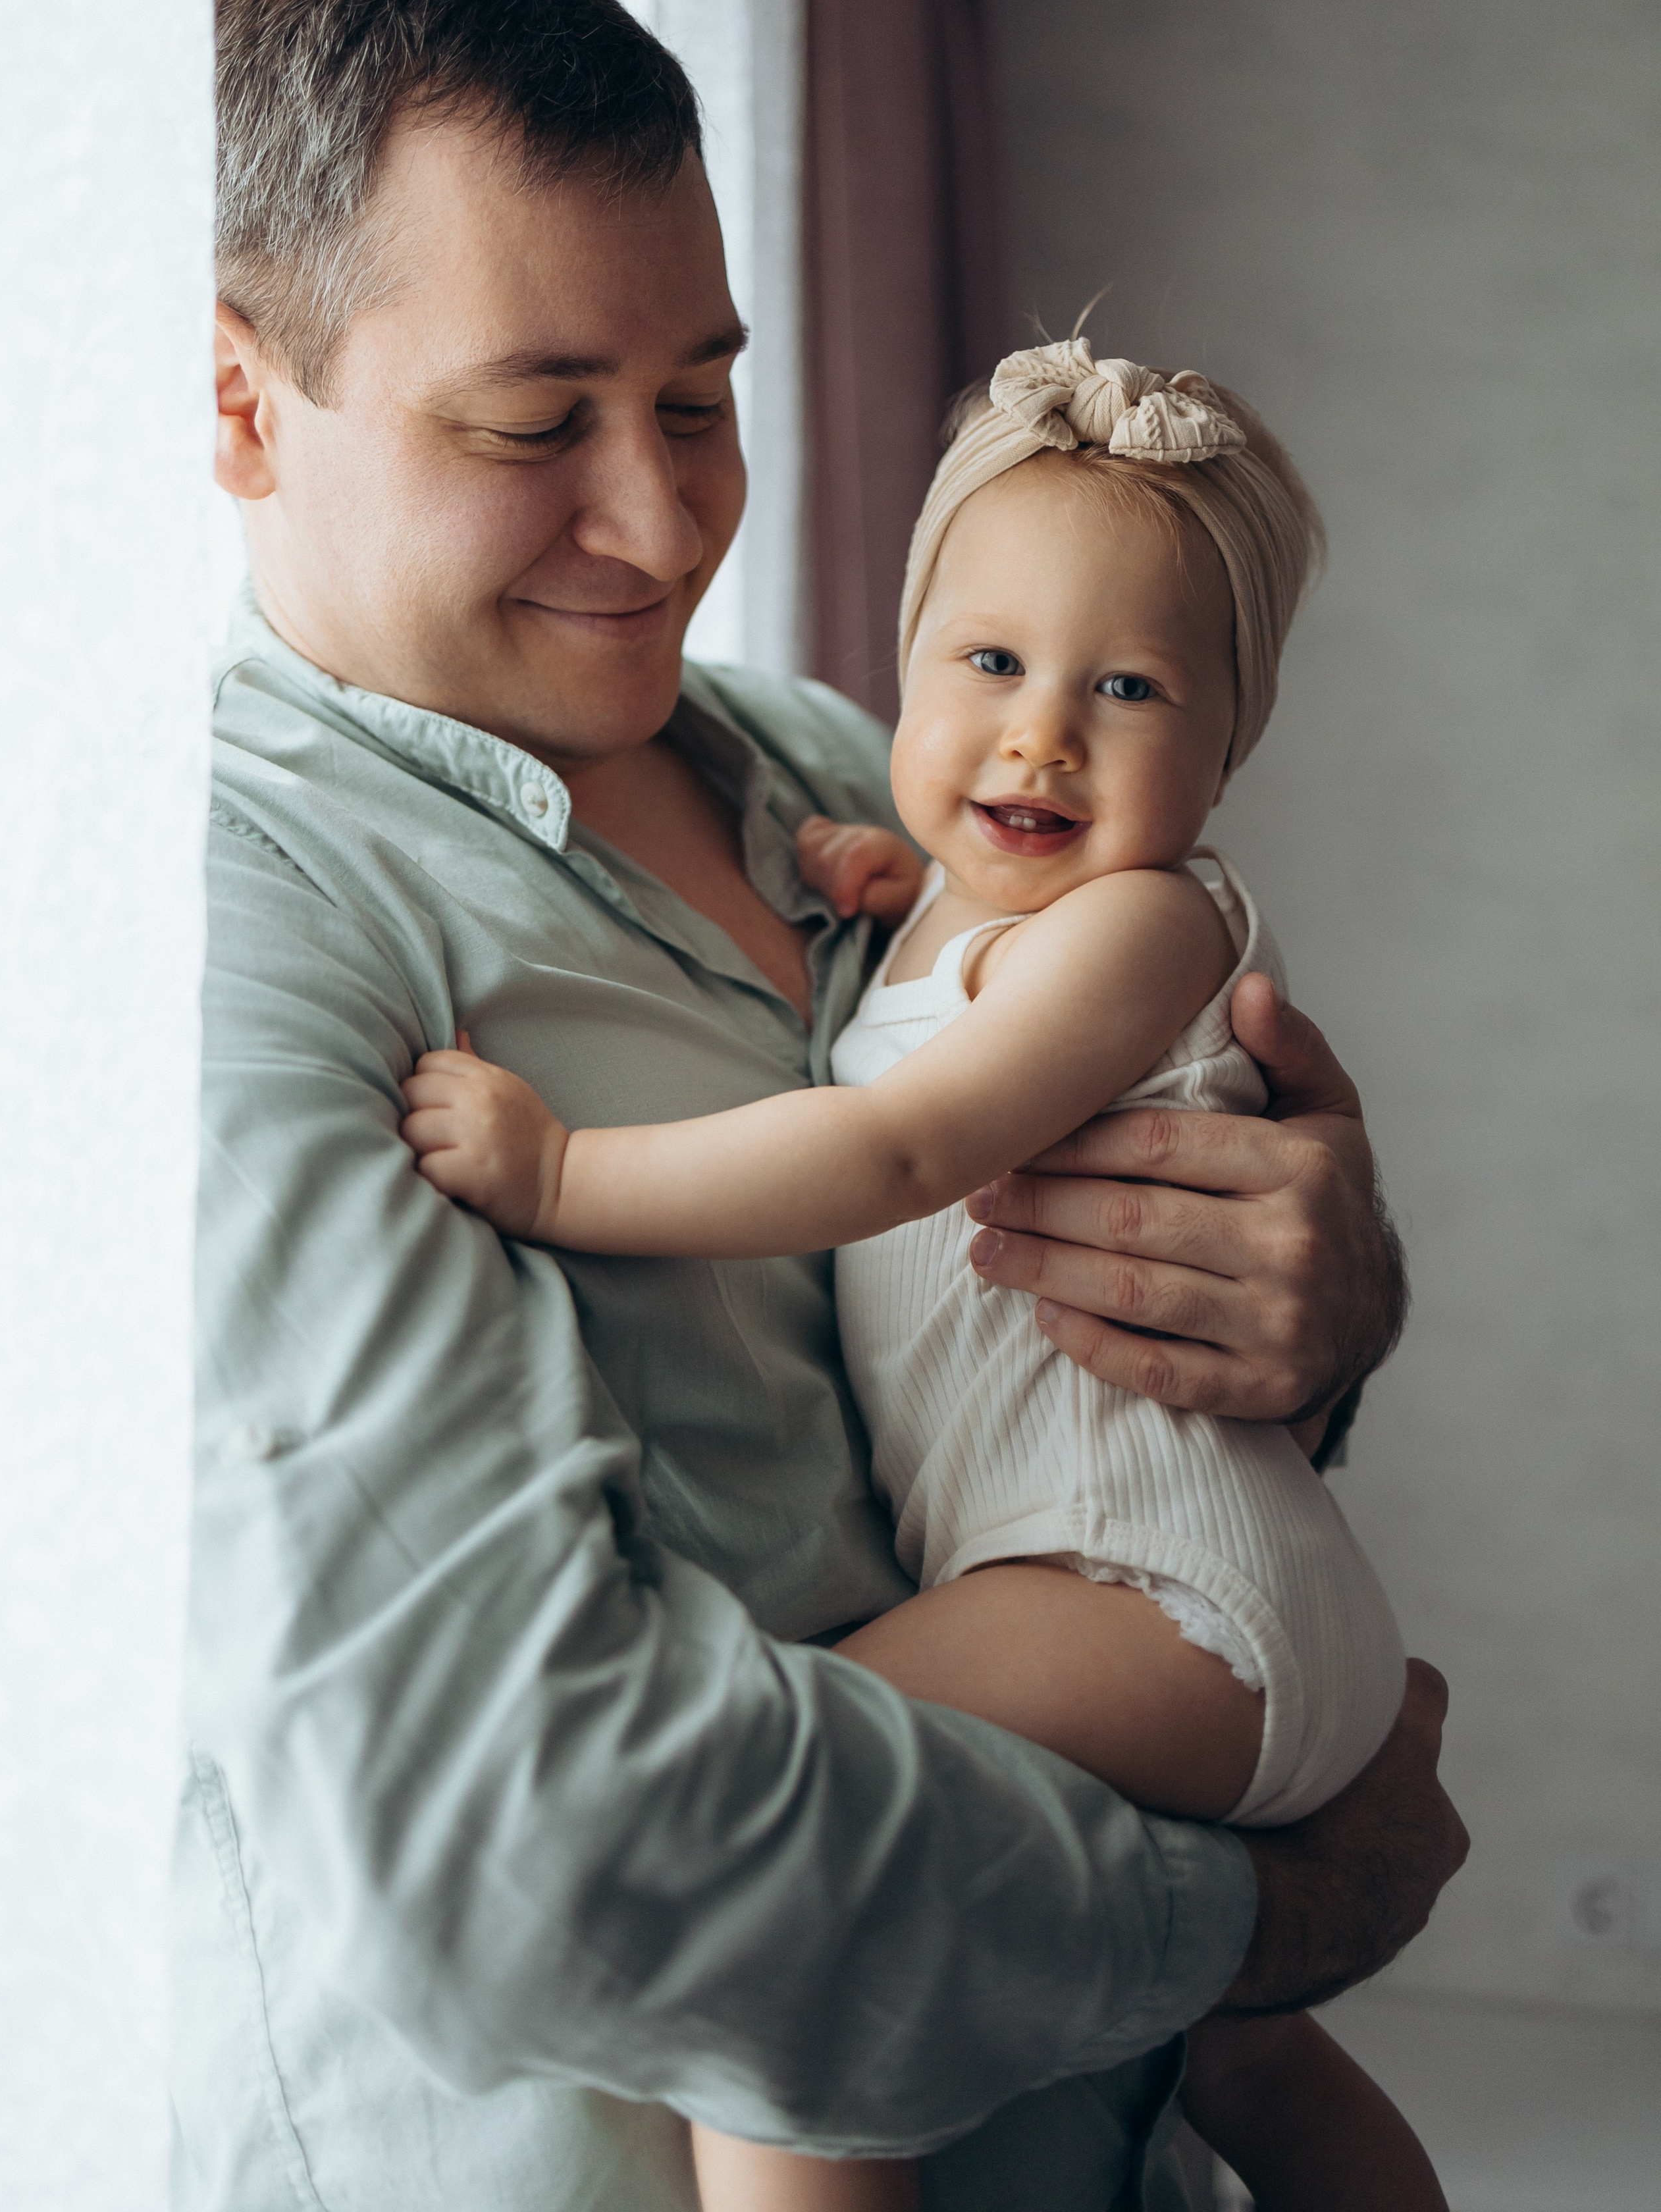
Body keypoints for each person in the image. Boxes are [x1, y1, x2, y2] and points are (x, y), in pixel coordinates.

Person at [178, 0, 1467, 2212]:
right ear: (244, 400)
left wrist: (1314, 1308)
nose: (670, 526)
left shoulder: (833, 773)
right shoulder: (230, 938)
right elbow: (548, 1837)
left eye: (699, 399)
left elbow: (1047, 1295)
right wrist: (1251, 1925)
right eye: (533, 419)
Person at [397, 342, 1444, 2209]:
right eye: (989, 667)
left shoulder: (1141, 924)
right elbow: (937, 1007)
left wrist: (563, 1170)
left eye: (1124, 689)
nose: (1040, 736)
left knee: (778, 1880)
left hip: (1158, 1591)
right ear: (903, 664)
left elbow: (895, 1150)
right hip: (1121, 1574)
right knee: (1254, 2069)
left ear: (1226, 748)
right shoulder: (976, 910)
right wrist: (898, 898)